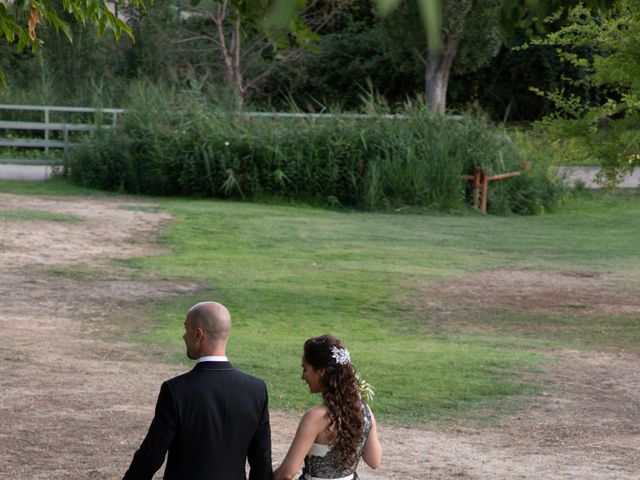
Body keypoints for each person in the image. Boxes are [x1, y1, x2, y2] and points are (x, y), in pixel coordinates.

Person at [122, 301, 272, 480]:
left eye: (186, 329)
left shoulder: (176, 390)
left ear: (198, 334)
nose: (184, 336)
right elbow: (261, 460)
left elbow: (151, 455)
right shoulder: (256, 390)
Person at [273, 334, 381, 480]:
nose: (303, 377)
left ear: (321, 371)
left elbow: (287, 473)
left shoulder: (315, 417)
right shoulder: (364, 411)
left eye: (305, 369)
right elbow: (374, 461)